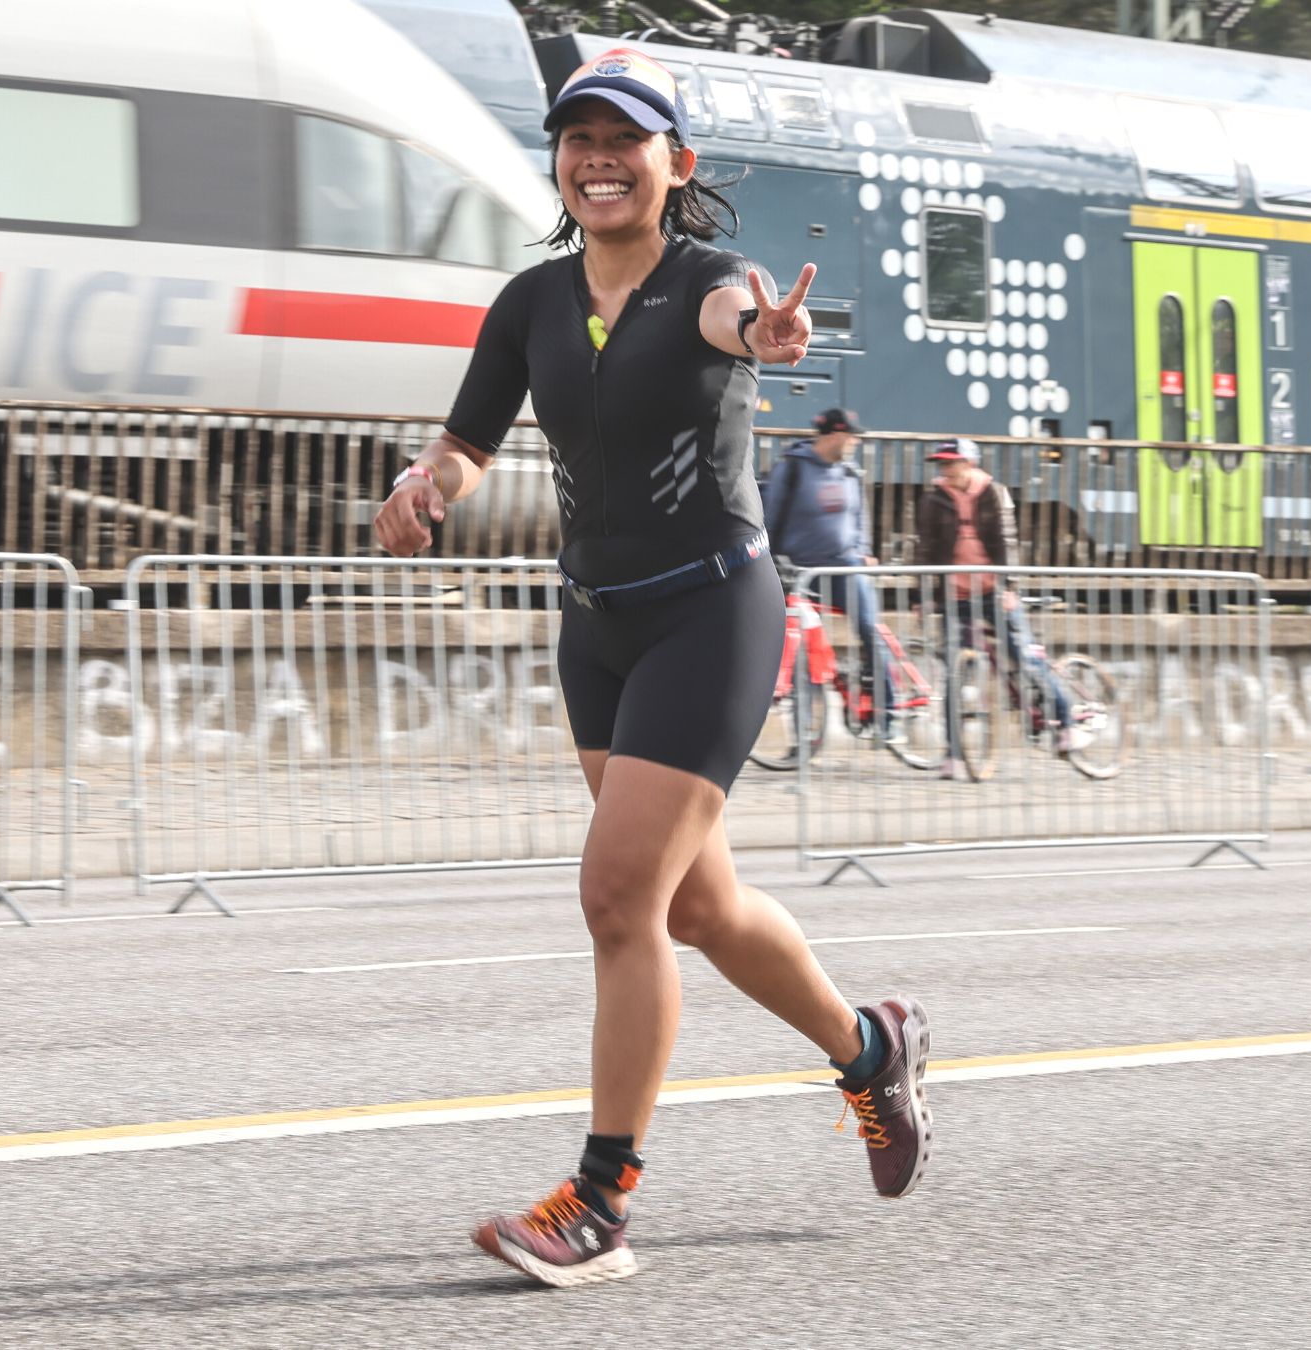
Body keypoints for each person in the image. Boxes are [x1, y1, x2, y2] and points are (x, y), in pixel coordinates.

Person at [371, 48, 930, 1290]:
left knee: (620, 899)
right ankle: (867, 1049)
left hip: (709, 615)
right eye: (577, 139)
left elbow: (749, 321)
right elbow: (466, 443)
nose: (597, 158)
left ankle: (601, 1203)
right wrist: (428, 487)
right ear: (559, 166)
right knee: (695, 909)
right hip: (597, 629)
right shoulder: (529, 301)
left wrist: (771, 334)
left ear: (675, 165)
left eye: (625, 140)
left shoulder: (710, 283)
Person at [914, 438, 1080, 779]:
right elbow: (926, 550)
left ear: (970, 463)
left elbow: (1006, 543)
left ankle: (1066, 720)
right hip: (955, 596)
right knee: (954, 676)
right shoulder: (933, 500)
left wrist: (1009, 588)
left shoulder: (993, 493)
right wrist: (922, 596)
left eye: (952, 462)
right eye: (942, 464)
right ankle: (954, 757)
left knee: (1023, 656)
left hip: (992, 591)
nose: (946, 469)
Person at [761, 407, 893, 735]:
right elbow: (771, 515)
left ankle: (889, 713)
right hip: (800, 573)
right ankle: (804, 737)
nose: (856, 443)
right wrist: (768, 560)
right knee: (801, 650)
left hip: (845, 568)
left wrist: (863, 550)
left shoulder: (849, 472)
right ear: (834, 435)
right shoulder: (793, 468)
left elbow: (859, 517)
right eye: (852, 436)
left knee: (869, 629)